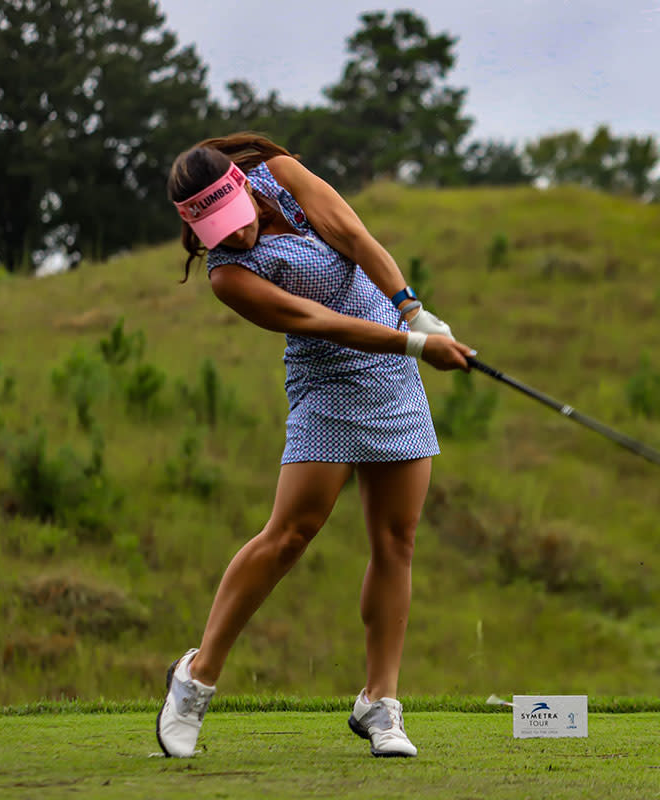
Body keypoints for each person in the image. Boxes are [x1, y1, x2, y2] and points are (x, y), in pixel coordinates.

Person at [156, 133, 474, 759]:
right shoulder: (229, 278)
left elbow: (356, 239)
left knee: (395, 540)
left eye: (236, 219)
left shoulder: (281, 173)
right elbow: (314, 321)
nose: (234, 236)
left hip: (392, 372)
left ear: (244, 188)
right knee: (291, 534)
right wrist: (415, 344)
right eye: (216, 231)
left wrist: (413, 312)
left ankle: (379, 703)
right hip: (326, 377)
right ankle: (194, 679)